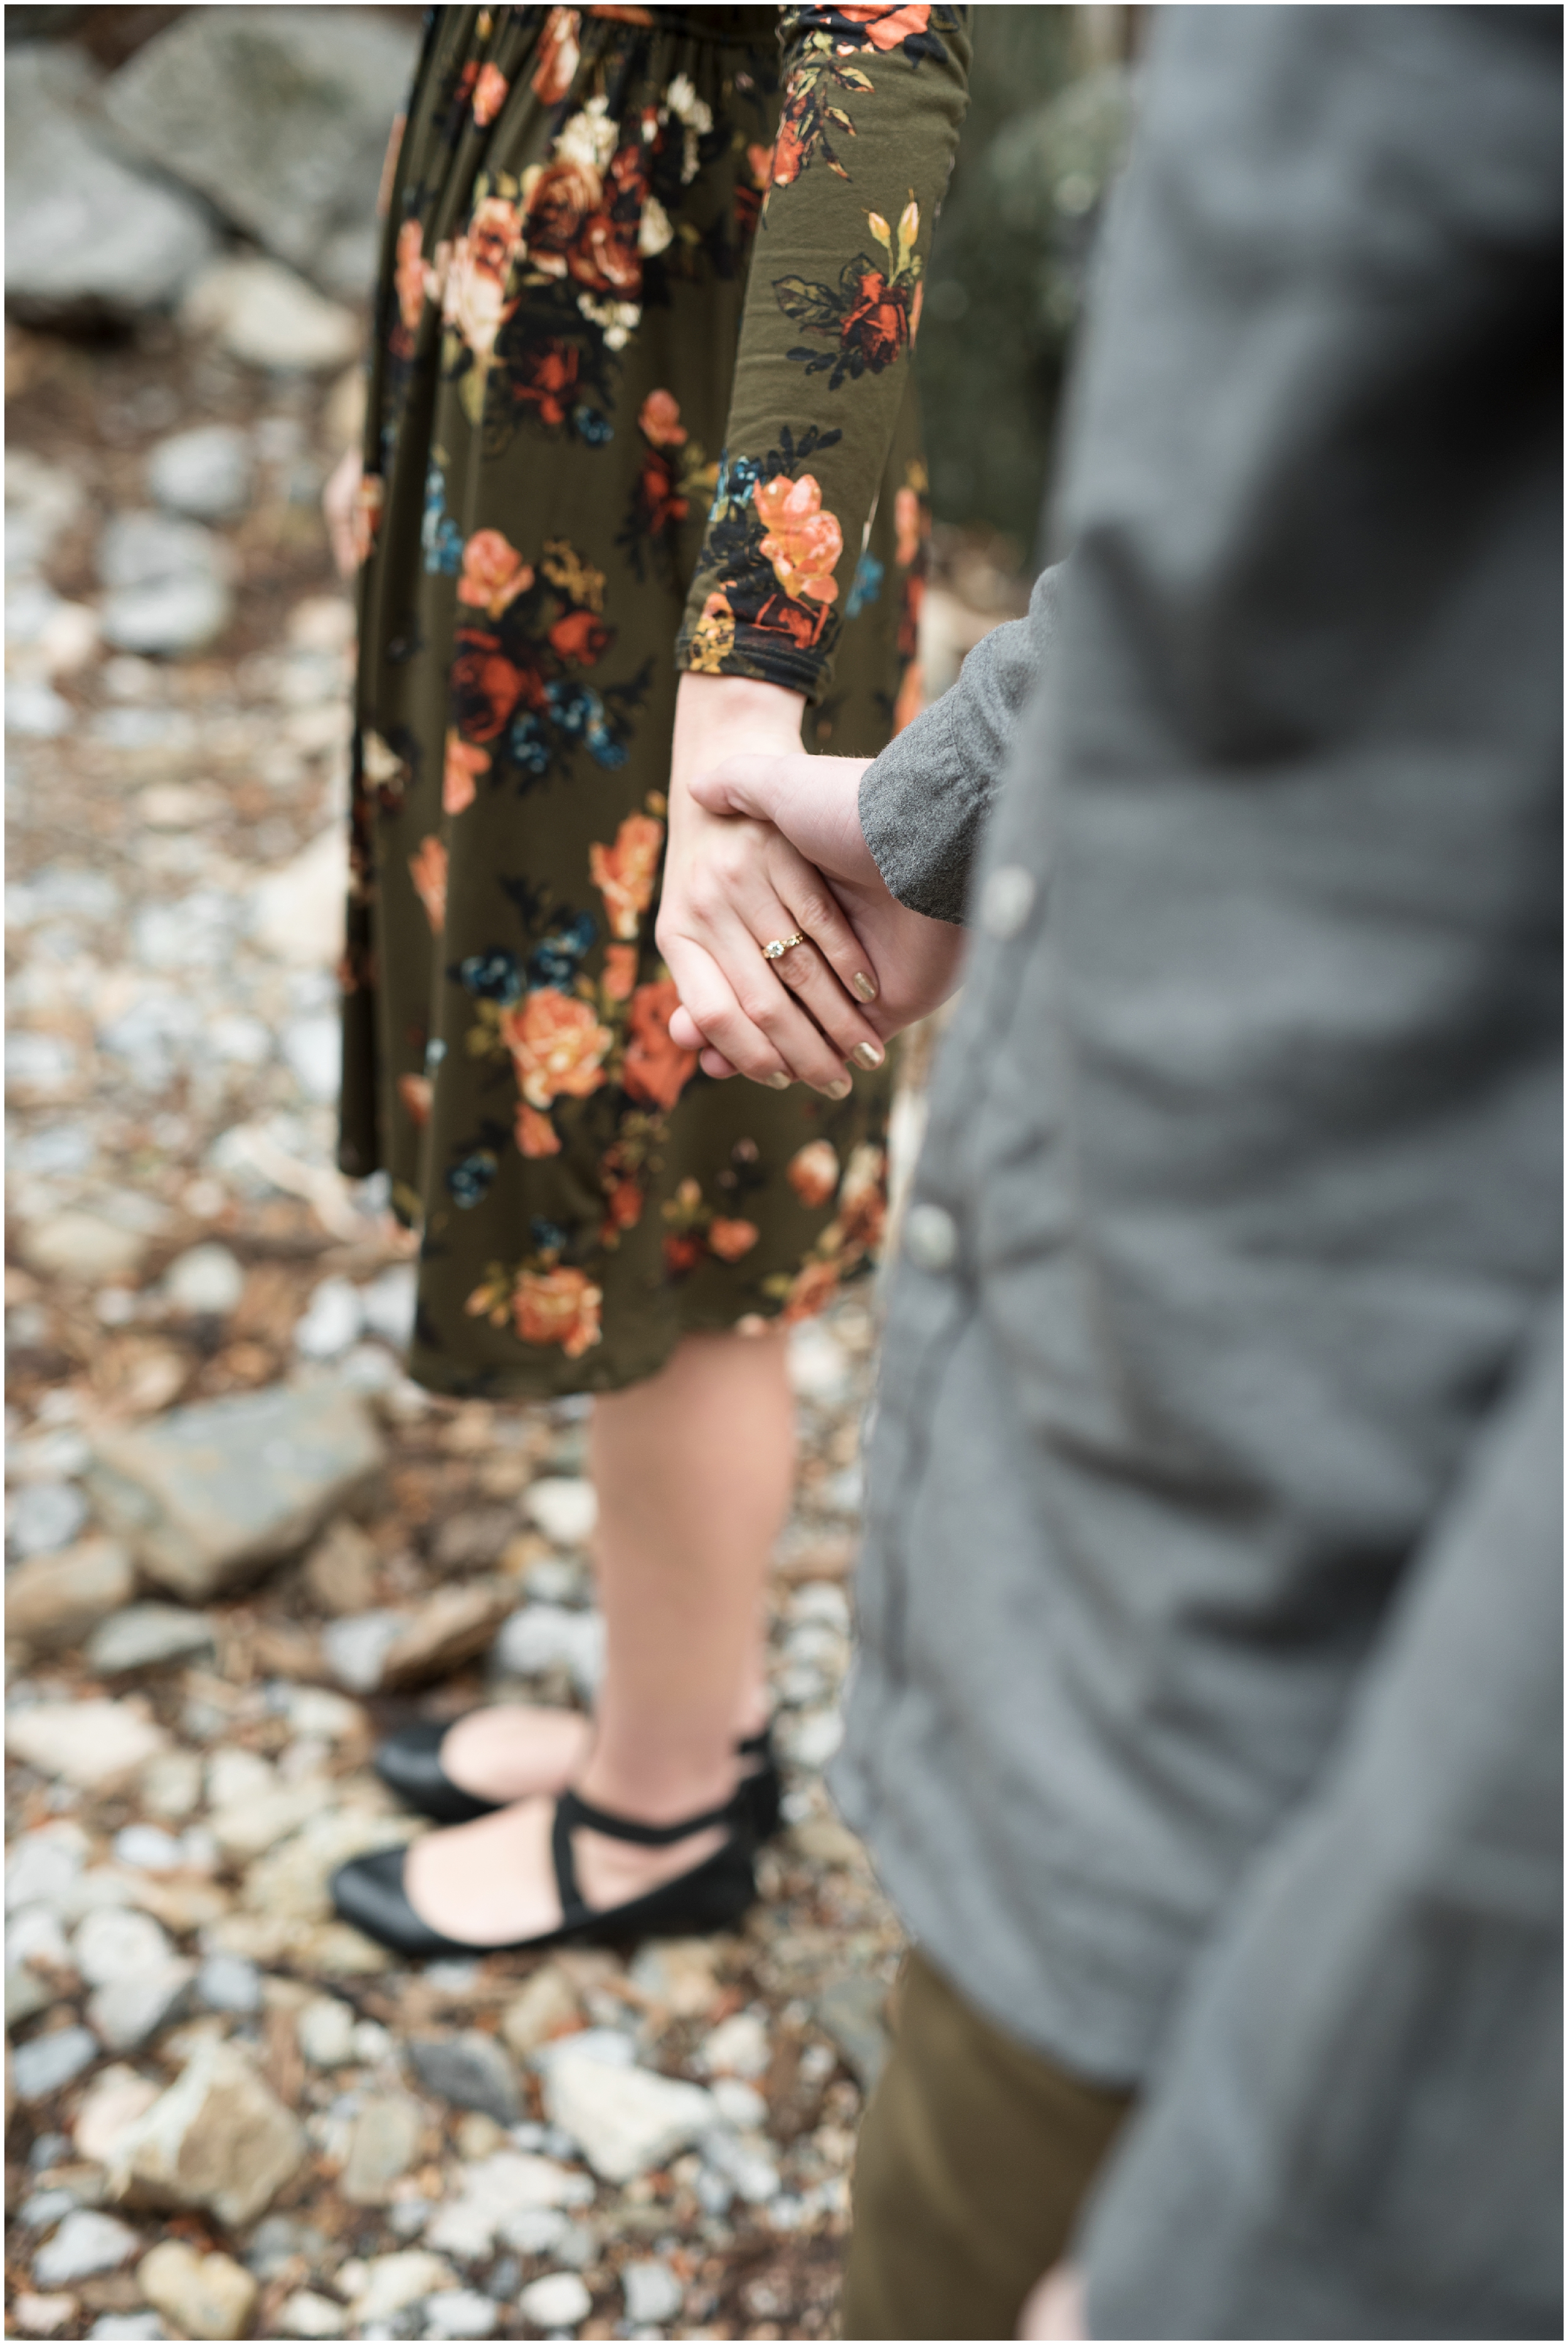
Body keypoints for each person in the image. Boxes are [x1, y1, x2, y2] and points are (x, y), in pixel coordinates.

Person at [668, 6, 1563, 2336]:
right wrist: (962, 798)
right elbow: (1339, 468)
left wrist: (1302, 2216)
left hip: (1331, 1774)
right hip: (1132, 1647)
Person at [322, 4, 971, 1959]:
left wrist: (740, 698)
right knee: (624, 1120)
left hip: (681, 531)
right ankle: (671, 1704)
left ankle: (667, 1800)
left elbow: (880, 76)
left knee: (681, 1185)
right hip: (551, 453)